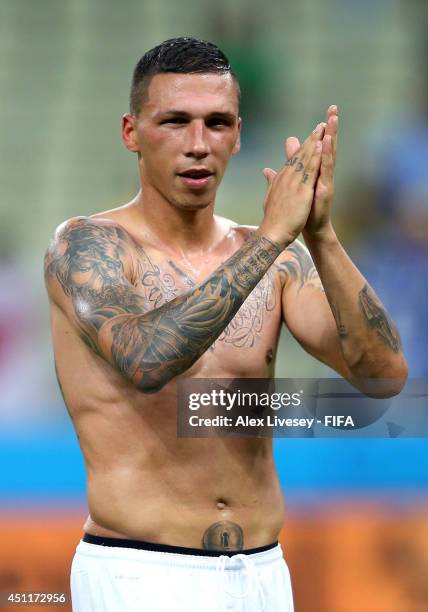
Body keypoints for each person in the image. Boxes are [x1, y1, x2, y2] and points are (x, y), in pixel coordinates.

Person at [44, 37, 408, 612]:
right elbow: (147, 359)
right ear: (131, 132)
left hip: (264, 572)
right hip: (141, 572)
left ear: (238, 135)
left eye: (217, 123)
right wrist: (270, 238)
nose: (197, 144)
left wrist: (321, 234)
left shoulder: (278, 256)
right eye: (175, 121)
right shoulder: (88, 246)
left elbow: (383, 377)